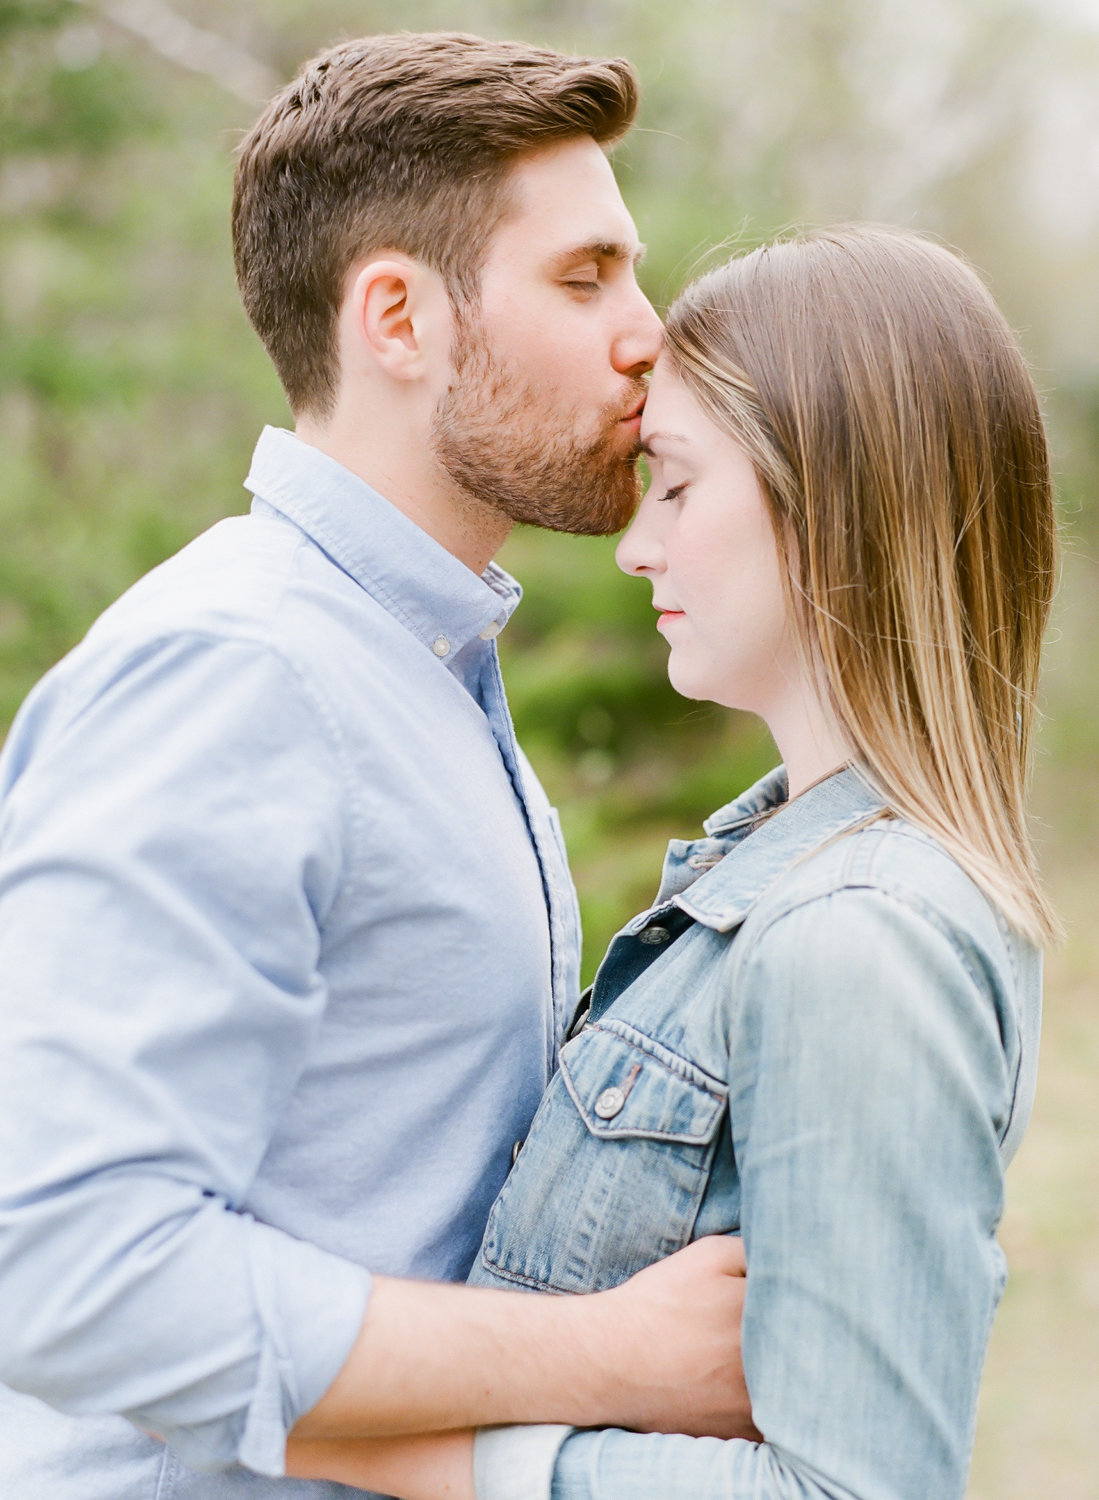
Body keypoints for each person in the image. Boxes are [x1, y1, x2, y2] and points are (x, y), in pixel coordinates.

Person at [0, 32, 755, 1500]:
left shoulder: (412, 664)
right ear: (397, 317)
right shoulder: (238, 675)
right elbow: (67, 1265)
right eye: (583, 277)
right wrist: (606, 1357)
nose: (647, 336)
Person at [281, 225, 1057, 1500]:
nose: (636, 546)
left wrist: (437, 1460)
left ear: (838, 503)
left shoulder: (857, 934)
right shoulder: (766, 879)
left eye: (679, 486)